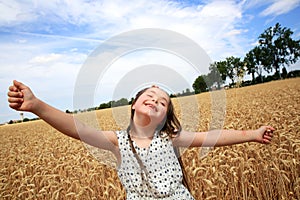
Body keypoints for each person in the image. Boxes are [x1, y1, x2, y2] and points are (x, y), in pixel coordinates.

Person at [7, 80, 274, 199]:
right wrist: (36, 105)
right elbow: (76, 128)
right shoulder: (117, 141)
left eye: (162, 102)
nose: (155, 100)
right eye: (150, 95)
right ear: (134, 104)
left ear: (165, 117)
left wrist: (252, 134)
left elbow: (212, 137)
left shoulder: (172, 138)